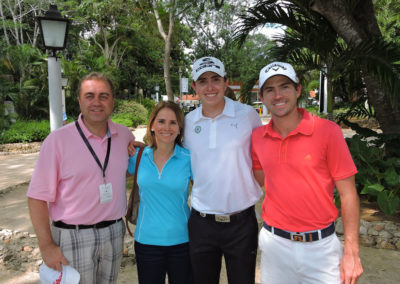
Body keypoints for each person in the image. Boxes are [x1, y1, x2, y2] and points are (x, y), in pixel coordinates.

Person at [251, 62, 363, 284]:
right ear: (262, 97)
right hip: (275, 246)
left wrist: (352, 252)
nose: (278, 95)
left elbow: (349, 194)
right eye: (269, 90)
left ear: (298, 90)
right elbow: (263, 179)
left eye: (284, 87)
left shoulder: (327, 132)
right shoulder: (257, 137)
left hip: (321, 249)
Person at [27, 72, 134, 283]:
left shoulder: (124, 136)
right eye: (89, 95)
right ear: (79, 100)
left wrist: (143, 154)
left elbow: (125, 170)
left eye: (104, 96)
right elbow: (36, 198)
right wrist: (46, 246)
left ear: (113, 100)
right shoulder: (57, 141)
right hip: (72, 236)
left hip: (113, 233)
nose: (97, 102)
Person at [184, 56, 263, 284]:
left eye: (216, 79)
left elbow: (264, 154)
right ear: (194, 87)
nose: (210, 87)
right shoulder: (187, 122)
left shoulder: (248, 115)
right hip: (201, 222)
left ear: (226, 81)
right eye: (203, 81)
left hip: (241, 223)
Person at [128, 101, 193, 284]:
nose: (167, 127)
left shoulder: (189, 158)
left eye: (173, 122)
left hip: (182, 241)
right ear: (152, 125)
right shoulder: (138, 157)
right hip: (146, 241)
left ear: (180, 128)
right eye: (161, 121)